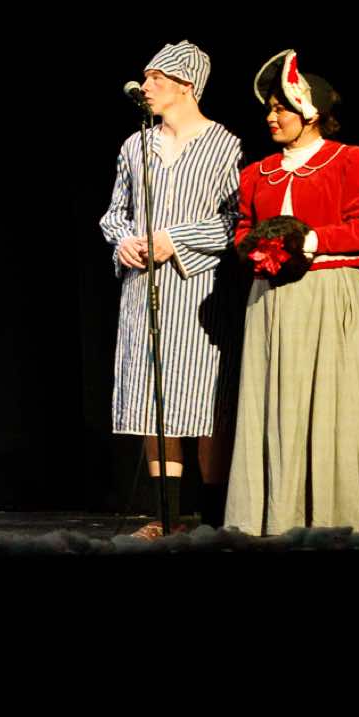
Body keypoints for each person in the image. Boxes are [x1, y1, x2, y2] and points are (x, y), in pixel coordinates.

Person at [223, 51, 359, 534]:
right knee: (277, 403)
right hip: (271, 300)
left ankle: (338, 511)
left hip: (328, 292)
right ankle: (277, 514)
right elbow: (243, 228)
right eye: (269, 109)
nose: (271, 117)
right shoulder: (257, 173)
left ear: (310, 112)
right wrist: (254, 246)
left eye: (280, 108)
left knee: (336, 401)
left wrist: (308, 239)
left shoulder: (352, 161)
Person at [95, 40, 243, 536]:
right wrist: (124, 242)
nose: (146, 86)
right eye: (145, 77)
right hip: (144, 289)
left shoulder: (225, 145)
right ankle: (166, 514)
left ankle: (214, 516)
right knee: (155, 398)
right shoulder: (135, 146)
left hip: (198, 289)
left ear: (186, 85)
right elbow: (114, 214)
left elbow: (235, 222)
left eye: (156, 78)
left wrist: (174, 240)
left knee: (202, 400)